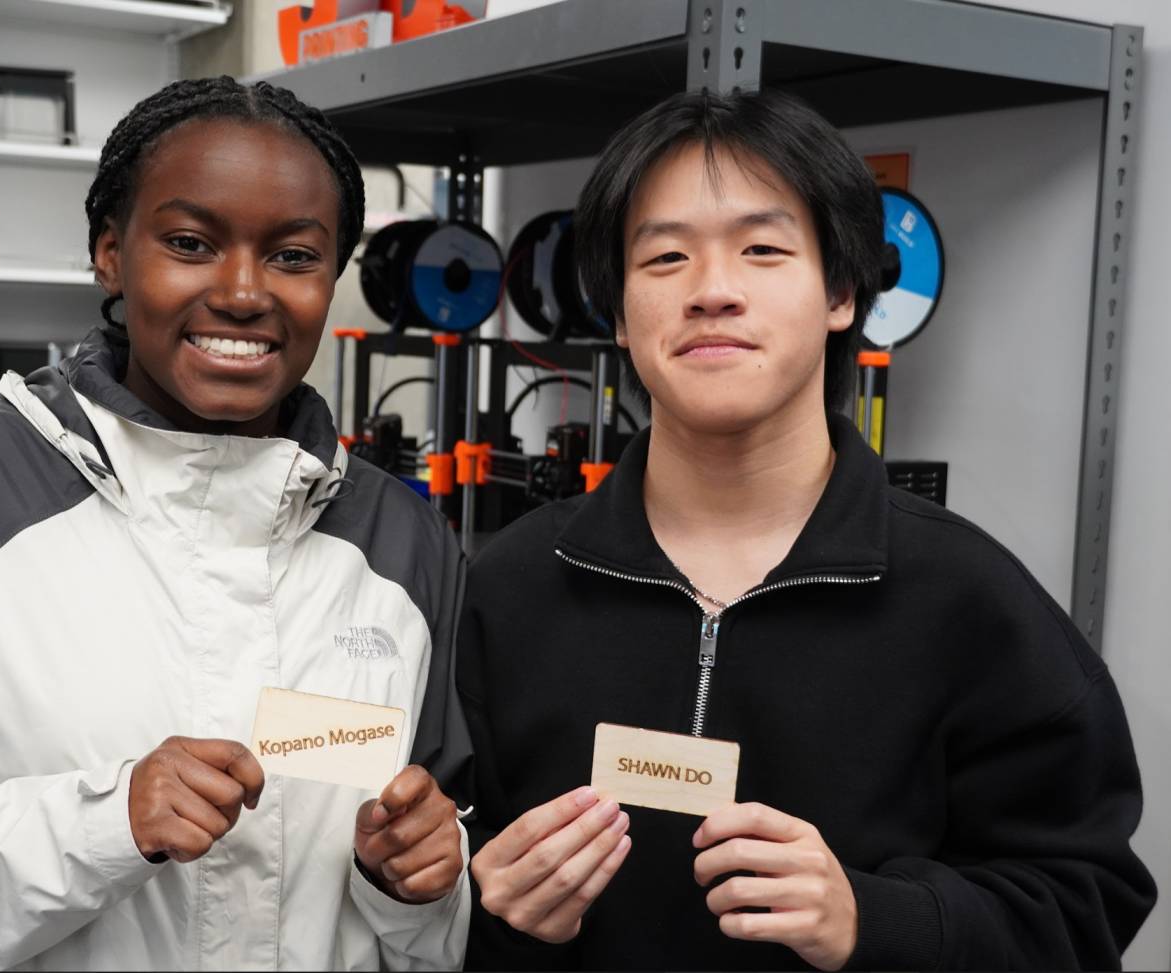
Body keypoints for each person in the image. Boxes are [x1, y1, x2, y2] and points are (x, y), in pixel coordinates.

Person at [0, 77, 470, 971]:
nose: (244, 292)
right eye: (189, 243)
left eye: (294, 256)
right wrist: (99, 829)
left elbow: (441, 890)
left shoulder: (406, 546)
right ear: (109, 253)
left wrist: (418, 885)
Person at [456, 88, 1155, 970]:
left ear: (838, 293)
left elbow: (1085, 905)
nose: (712, 291)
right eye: (664, 257)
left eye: (761, 249)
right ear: (619, 314)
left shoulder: (968, 599)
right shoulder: (513, 584)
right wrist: (484, 907)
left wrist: (874, 918)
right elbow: (426, 867)